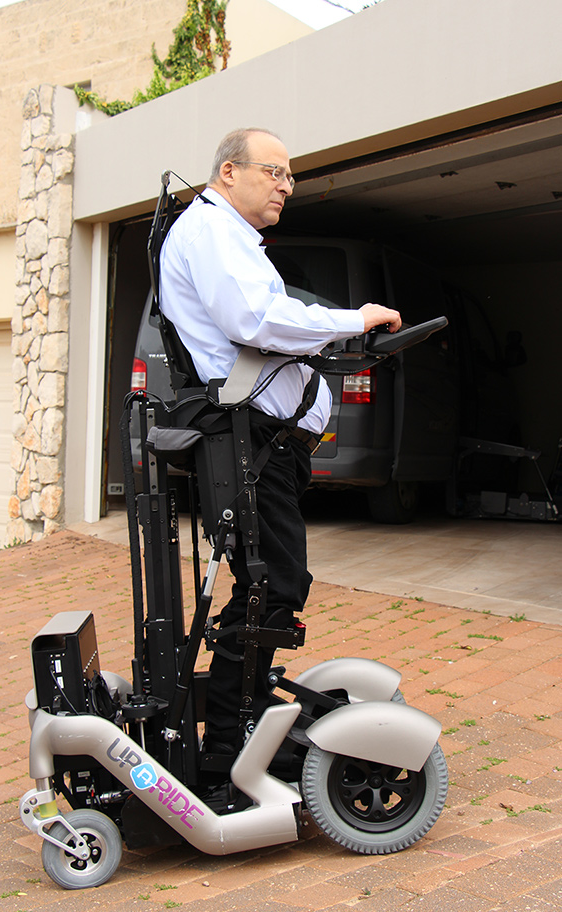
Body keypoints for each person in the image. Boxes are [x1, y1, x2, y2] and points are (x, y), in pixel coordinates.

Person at [159, 128, 401, 753]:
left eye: (291, 177)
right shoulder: (211, 231)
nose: (285, 186)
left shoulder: (230, 237)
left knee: (269, 577)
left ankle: (243, 702)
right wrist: (352, 319)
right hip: (248, 439)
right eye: (275, 172)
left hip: (266, 440)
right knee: (272, 582)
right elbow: (256, 320)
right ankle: (227, 737)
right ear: (230, 171)